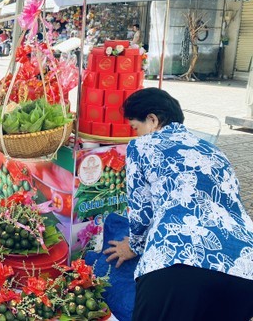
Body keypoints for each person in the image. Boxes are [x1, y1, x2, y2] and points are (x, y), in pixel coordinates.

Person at [104, 88, 253, 321]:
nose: (137, 134)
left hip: (177, 260)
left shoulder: (142, 146)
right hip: (244, 268)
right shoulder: (214, 150)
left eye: (136, 127)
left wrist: (133, 246)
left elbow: (141, 210)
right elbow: (232, 205)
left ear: (152, 120)